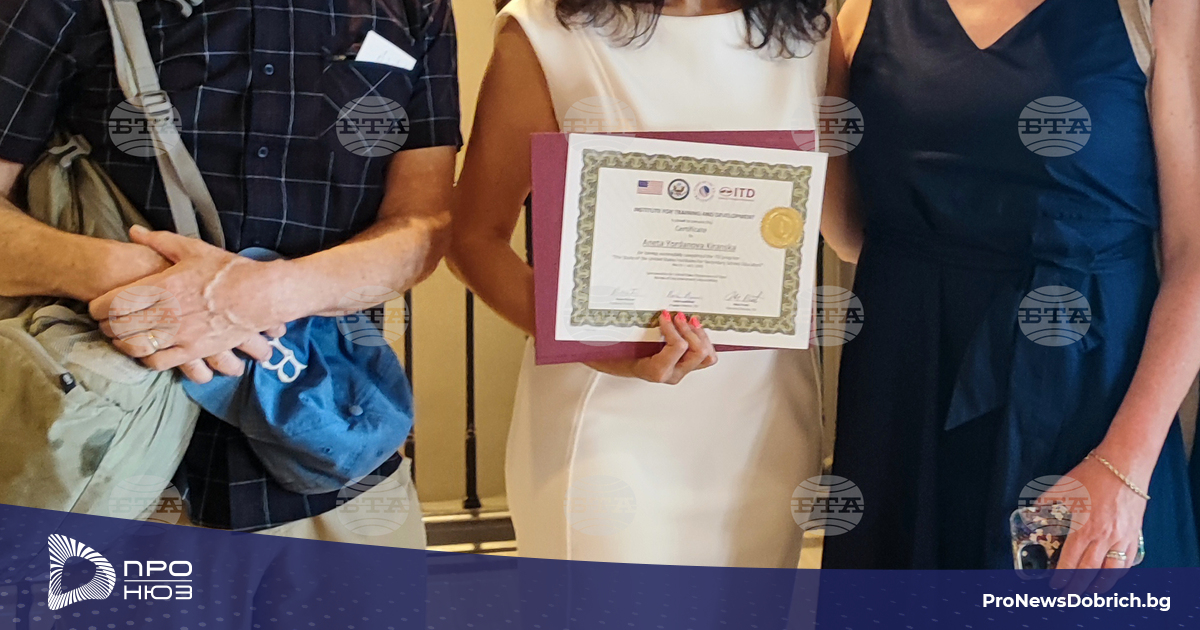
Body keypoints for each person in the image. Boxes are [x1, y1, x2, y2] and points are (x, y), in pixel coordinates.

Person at [0, 0, 461, 545]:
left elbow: (424, 223)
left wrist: (256, 296)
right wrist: (135, 277)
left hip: (334, 454)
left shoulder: (414, 7)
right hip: (108, 463)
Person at [451, 0, 841, 567]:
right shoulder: (545, 30)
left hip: (765, 416)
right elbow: (474, 239)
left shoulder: (810, 33)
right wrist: (599, 348)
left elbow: (848, 221)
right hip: (605, 418)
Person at [821, 0, 1200, 581]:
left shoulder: (1163, 10)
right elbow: (849, 228)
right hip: (903, 387)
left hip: (1088, 398)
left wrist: (1126, 465)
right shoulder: (857, 11)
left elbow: (1193, 254)